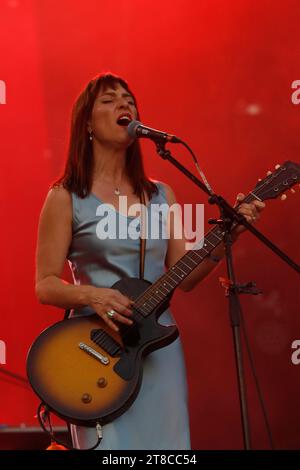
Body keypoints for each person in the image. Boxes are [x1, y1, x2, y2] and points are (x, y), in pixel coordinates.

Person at [35, 72, 265, 450]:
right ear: (87, 124)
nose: (124, 104)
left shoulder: (161, 194)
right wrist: (94, 295)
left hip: (158, 349)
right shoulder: (65, 196)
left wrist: (229, 236)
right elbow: (45, 284)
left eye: (129, 99)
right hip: (95, 352)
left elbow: (185, 275)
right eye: (109, 100)